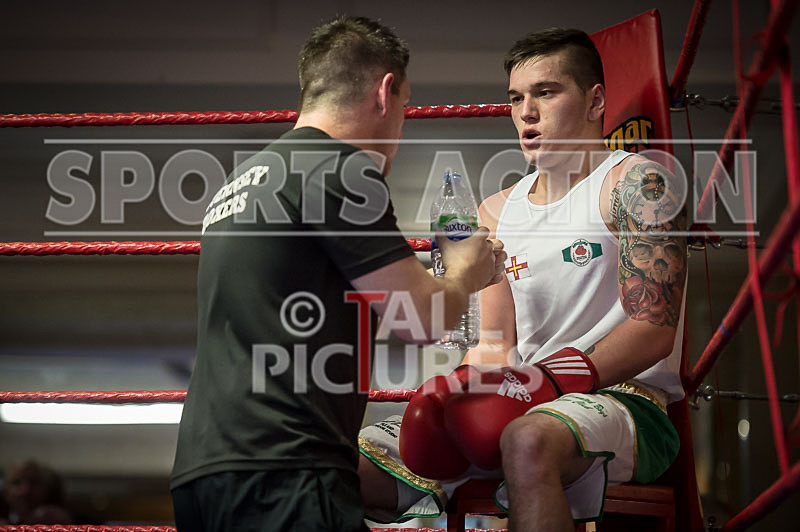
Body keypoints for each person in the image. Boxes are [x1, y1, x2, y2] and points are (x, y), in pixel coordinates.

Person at [170, 16, 505, 532]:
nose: (401, 125)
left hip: (204, 471)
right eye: (406, 109)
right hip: (287, 468)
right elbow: (420, 318)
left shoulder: (243, 179)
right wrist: (464, 271)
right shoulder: (341, 169)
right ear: (385, 91)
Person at [358, 27, 688, 530]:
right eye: (516, 98)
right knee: (350, 464)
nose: (526, 113)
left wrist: (551, 381)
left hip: (624, 401)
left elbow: (654, 329)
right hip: (519, 395)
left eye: (545, 92)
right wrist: (459, 390)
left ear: (595, 99)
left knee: (527, 440)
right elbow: (496, 342)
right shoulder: (496, 212)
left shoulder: (638, 184)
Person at [1, 460, 71, 525]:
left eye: (33, 482)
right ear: (6, 489)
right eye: (17, 483)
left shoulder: (54, 519)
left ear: (46, 488)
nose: (25, 490)